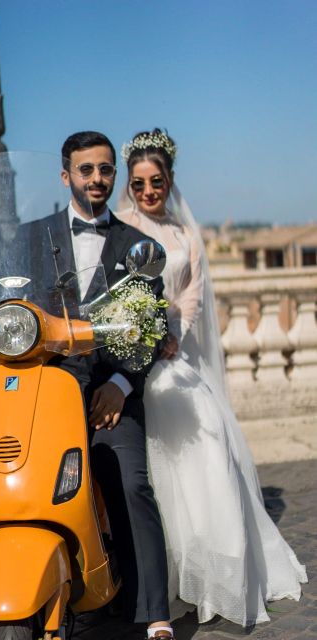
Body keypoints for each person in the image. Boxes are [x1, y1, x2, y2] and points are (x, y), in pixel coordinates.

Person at [116, 128, 308, 628]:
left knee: (208, 428)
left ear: (170, 180)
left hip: (173, 354)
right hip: (133, 362)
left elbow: (191, 298)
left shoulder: (184, 237)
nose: (148, 192)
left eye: (156, 181)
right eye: (138, 184)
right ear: (129, 186)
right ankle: (168, 573)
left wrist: (171, 333)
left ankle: (218, 568)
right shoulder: (118, 229)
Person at [35, 131, 174, 640]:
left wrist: (119, 383)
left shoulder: (138, 248)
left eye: (105, 170)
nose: (97, 178)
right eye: (86, 169)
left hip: (110, 398)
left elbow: (151, 327)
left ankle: (152, 610)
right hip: (44, 396)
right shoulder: (32, 238)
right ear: (66, 174)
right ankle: (57, 594)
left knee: (132, 482)